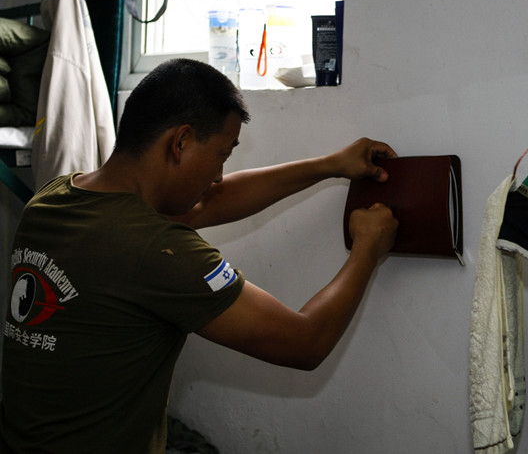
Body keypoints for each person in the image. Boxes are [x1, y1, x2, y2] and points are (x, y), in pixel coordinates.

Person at [0, 58, 398, 454]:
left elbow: (206, 205)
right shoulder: (157, 250)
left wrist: (329, 166)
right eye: (222, 155)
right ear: (181, 141)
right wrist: (367, 248)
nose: (219, 175)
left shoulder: (52, 199)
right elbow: (304, 342)